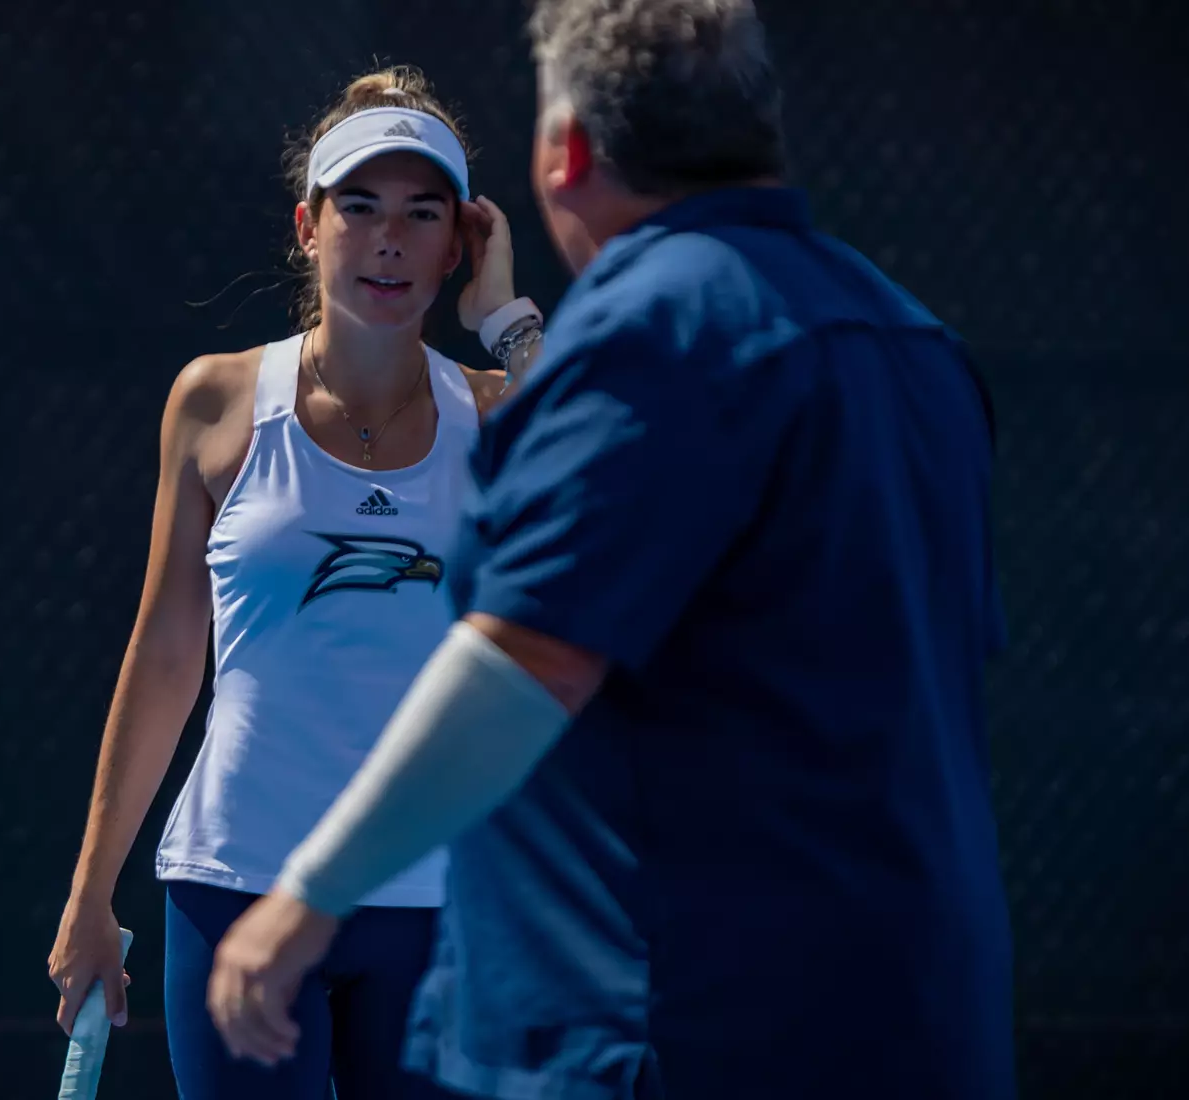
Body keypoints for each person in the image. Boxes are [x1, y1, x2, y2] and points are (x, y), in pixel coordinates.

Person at [205, 3, 1018, 1100]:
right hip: (929, 1017)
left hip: (683, 1029)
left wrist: (309, 895)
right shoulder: (920, 348)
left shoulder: (656, 335)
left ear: (566, 150)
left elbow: (522, 664)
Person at [46, 65, 547, 1099]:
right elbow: (167, 653)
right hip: (233, 888)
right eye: (358, 208)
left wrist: (510, 322)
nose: (390, 240)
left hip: (441, 901)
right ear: (308, 227)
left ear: (460, 244)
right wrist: (92, 892)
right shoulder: (214, 401)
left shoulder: (505, 412)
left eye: (422, 214)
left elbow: (613, 472)